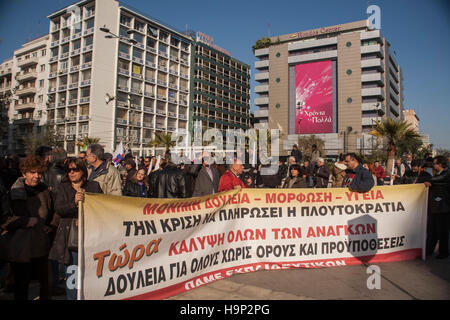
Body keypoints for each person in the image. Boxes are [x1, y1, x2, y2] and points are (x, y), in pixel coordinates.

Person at [49, 157, 103, 300]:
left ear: (83, 171)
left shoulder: (94, 186)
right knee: (72, 272)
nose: (71, 173)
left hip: (90, 236)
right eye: (69, 170)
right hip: (70, 237)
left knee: (89, 272)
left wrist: (87, 218)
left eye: (75, 169)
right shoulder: (63, 187)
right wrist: (74, 203)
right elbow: (59, 209)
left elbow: (102, 208)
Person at [4, 155, 55, 300]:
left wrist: (51, 225)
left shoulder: (46, 190)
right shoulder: (14, 191)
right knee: (22, 285)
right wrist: (24, 221)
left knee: (46, 284)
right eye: (32, 172)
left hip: (41, 245)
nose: (37, 176)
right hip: (20, 246)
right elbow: (5, 219)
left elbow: (55, 211)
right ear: (24, 173)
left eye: (39, 173)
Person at [424, 156, 450, 259]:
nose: (433, 165)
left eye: (435, 163)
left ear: (440, 164)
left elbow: (439, 179)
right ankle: (429, 250)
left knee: (442, 231)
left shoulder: (446, 173)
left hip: (443, 207)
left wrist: (429, 181)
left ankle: (443, 252)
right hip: (435, 206)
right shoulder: (437, 174)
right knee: (432, 230)